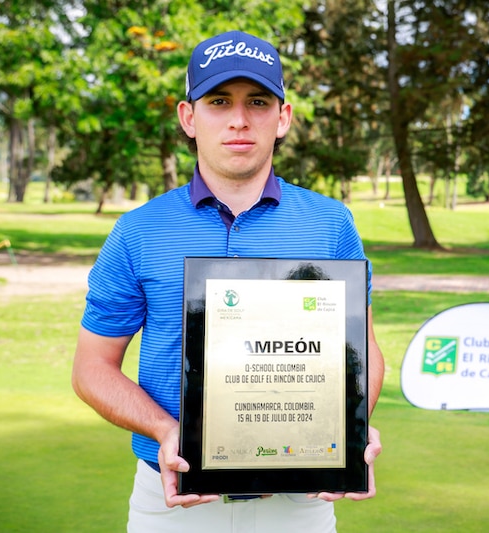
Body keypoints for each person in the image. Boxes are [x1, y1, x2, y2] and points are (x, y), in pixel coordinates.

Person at [71, 29, 385, 533]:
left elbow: (364, 352)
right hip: (172, 498)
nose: (239, 119)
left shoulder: (331, 224)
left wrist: (351, 428)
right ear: (189, 117)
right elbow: (91, 366)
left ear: (282, 117)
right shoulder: (138, 230)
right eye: (219, 101)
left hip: (298, 504)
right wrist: (164, 429)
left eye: (257, 101)